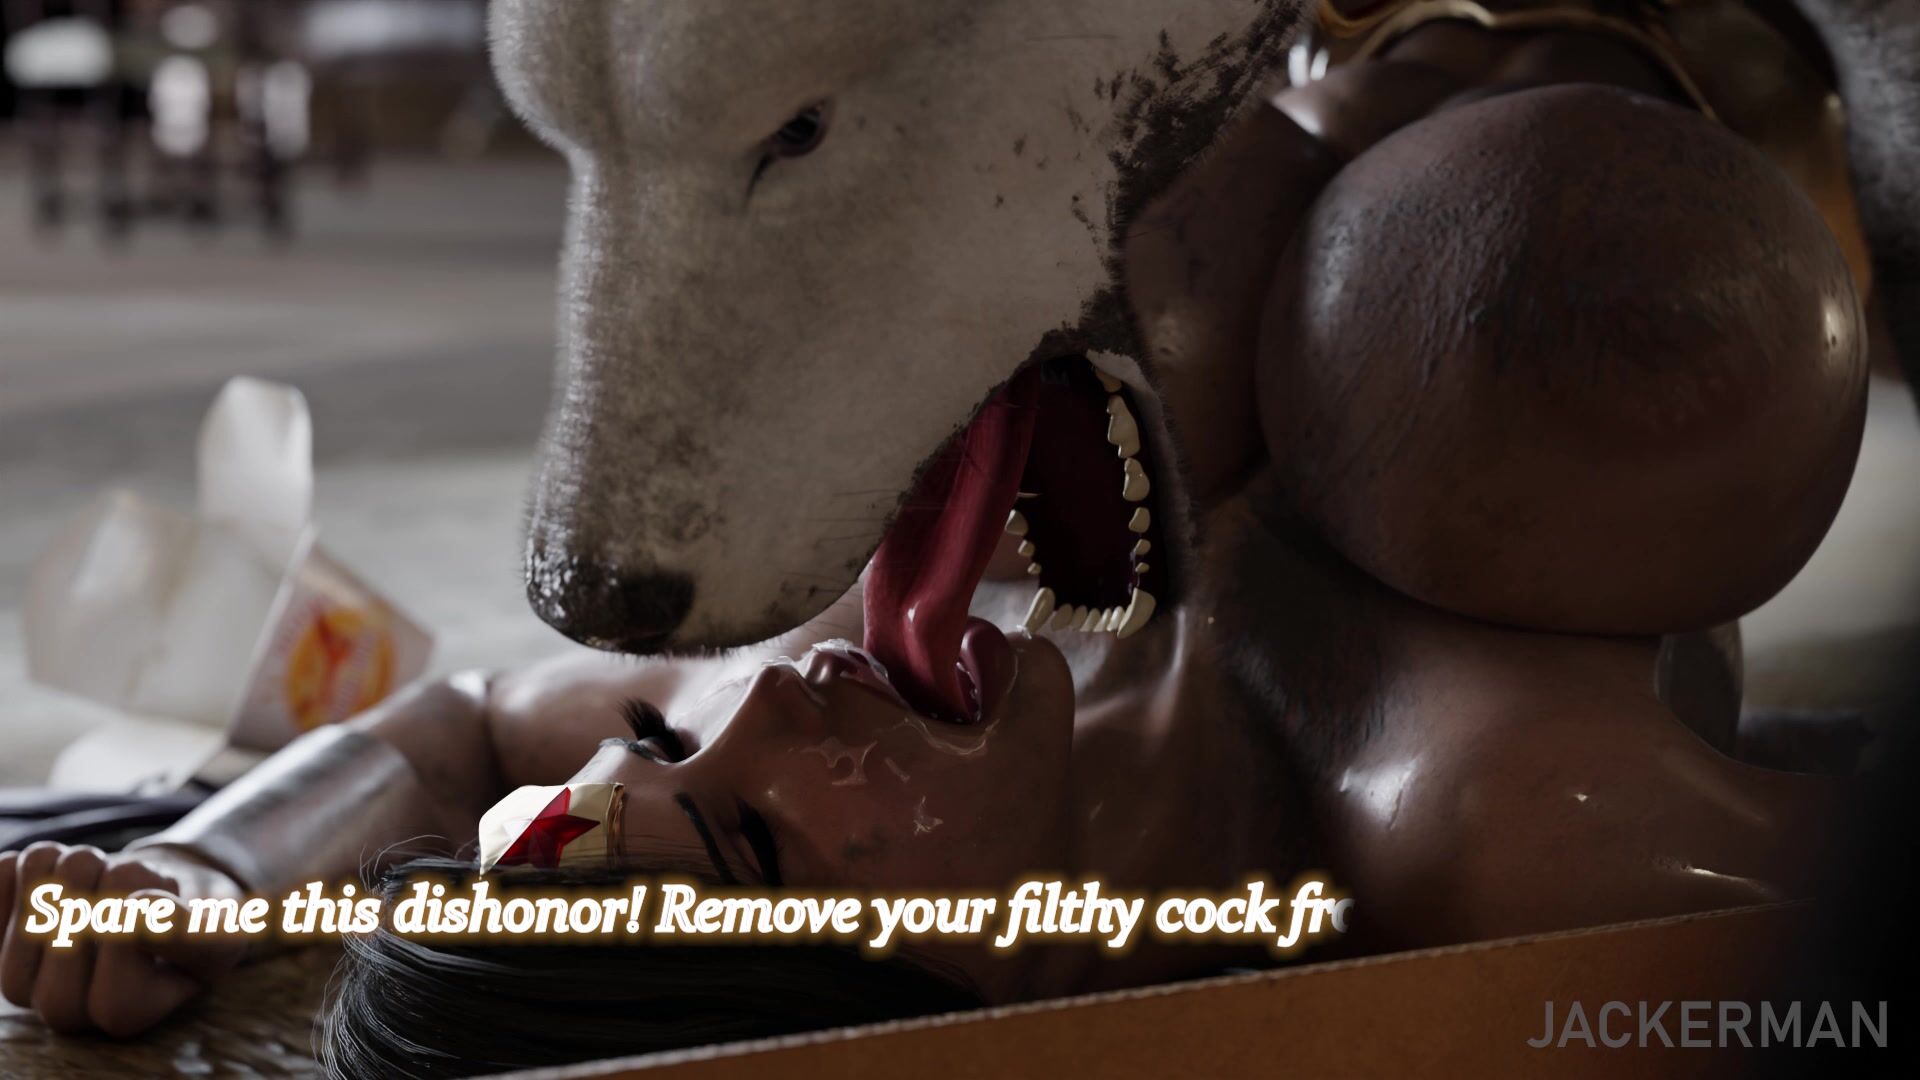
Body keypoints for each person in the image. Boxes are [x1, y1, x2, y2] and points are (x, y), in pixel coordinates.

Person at [0, 0, 1870, 1072]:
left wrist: (212, 869)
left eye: (658, 741)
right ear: (931, 1006)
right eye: (750, 833)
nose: (749, 709)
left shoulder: (870, 668)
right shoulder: (1483, 814)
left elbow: (470, 717)